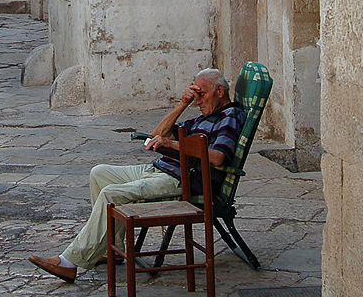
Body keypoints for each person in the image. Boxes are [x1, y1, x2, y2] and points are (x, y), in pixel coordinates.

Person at [29, 68, 246, 283]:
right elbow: (157, 134)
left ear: (219, 91)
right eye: (195, 97)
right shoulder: (204, 116)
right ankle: (113, 248)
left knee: (110, 194)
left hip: (181, 180)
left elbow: (217, 157)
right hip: (162, 169)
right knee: (99, 173)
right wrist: (183, 104)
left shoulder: (228, 116)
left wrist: (172, 144)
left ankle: (69, 262)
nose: (198, 102)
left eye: (202, 95)